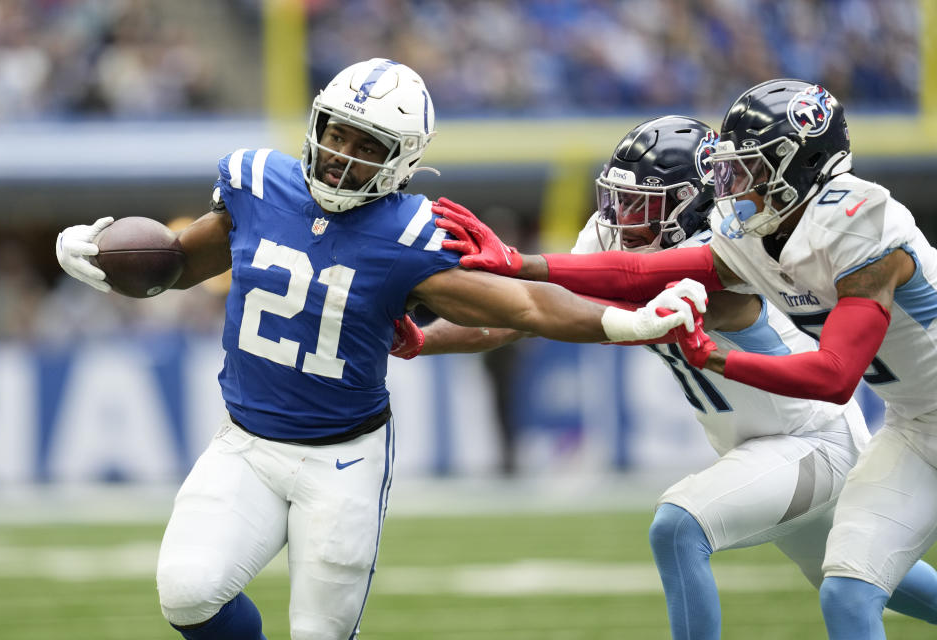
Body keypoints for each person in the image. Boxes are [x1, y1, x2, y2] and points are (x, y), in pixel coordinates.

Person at [54, 58, 705, 640]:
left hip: (341, 461)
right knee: (189, 594)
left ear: (403, 159)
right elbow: (173, 267)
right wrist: (95, 253)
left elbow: (525, 305)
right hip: (245, 444)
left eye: (367, 145)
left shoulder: (411, 233)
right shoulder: (259, 184)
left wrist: (628, 323)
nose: (341, 154)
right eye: (336, 132)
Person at [394, 114, 937, 639]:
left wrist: (520, 269)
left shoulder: (727, 253)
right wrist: (421, 339)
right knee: (856, 583)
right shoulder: (618, 242)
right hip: (758, 446)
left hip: (810, 440)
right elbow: (526, 314)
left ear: (692, 202)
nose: (621, 217)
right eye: (618, 199)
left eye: (640, 204)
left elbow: (590, 299)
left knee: (679, 526)